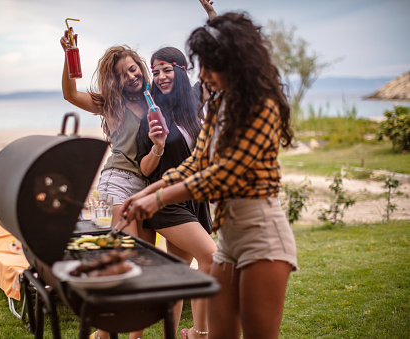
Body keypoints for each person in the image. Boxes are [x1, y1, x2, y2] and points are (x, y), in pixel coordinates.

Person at [121, 12, 299, 339]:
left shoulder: (262, 106)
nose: (201, 74)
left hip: (262, 234)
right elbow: (196, 163)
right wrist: (143, 194)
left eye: (208, 64)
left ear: (235, 61)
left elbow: (223, 174)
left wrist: (158, 198)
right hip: (229, 235)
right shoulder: (218, 106)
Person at [59, 38, 150, 339]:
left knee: (135, 264)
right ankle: (103, 333)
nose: (131, 76)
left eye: (133, 69)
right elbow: (70, 94)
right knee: (127, 261)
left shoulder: (154, 101)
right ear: (116, 80)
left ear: (142, 67)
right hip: (117, 182)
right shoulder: (112, 103)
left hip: (144, 187)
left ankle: (108, 334)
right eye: (123, 74)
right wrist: (69, 56)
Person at [135, 46, 217, 338]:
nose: (159, 76)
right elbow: (145, 170)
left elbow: (218, 61)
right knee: (212, 256)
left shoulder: (194, 101)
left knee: (178, 276)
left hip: (195, 199)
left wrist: (212, 15)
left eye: (166, 69)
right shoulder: (152, 113)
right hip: (166, 202)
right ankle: (200, 333)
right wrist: (157, 145)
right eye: (155, 72)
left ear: (182, 70)